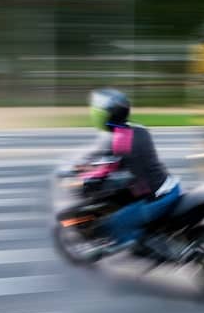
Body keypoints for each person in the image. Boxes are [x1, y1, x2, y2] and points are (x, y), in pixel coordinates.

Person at [67, 88, 181, 256]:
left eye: (99, 112)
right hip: (168, 186)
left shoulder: (120, 141)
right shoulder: (137, 130)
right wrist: (85, 165)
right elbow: (107, 158)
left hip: (156, 198)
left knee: (115, 222)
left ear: (107, 115)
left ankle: (146, 250)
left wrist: (83, 179)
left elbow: (104, 170)